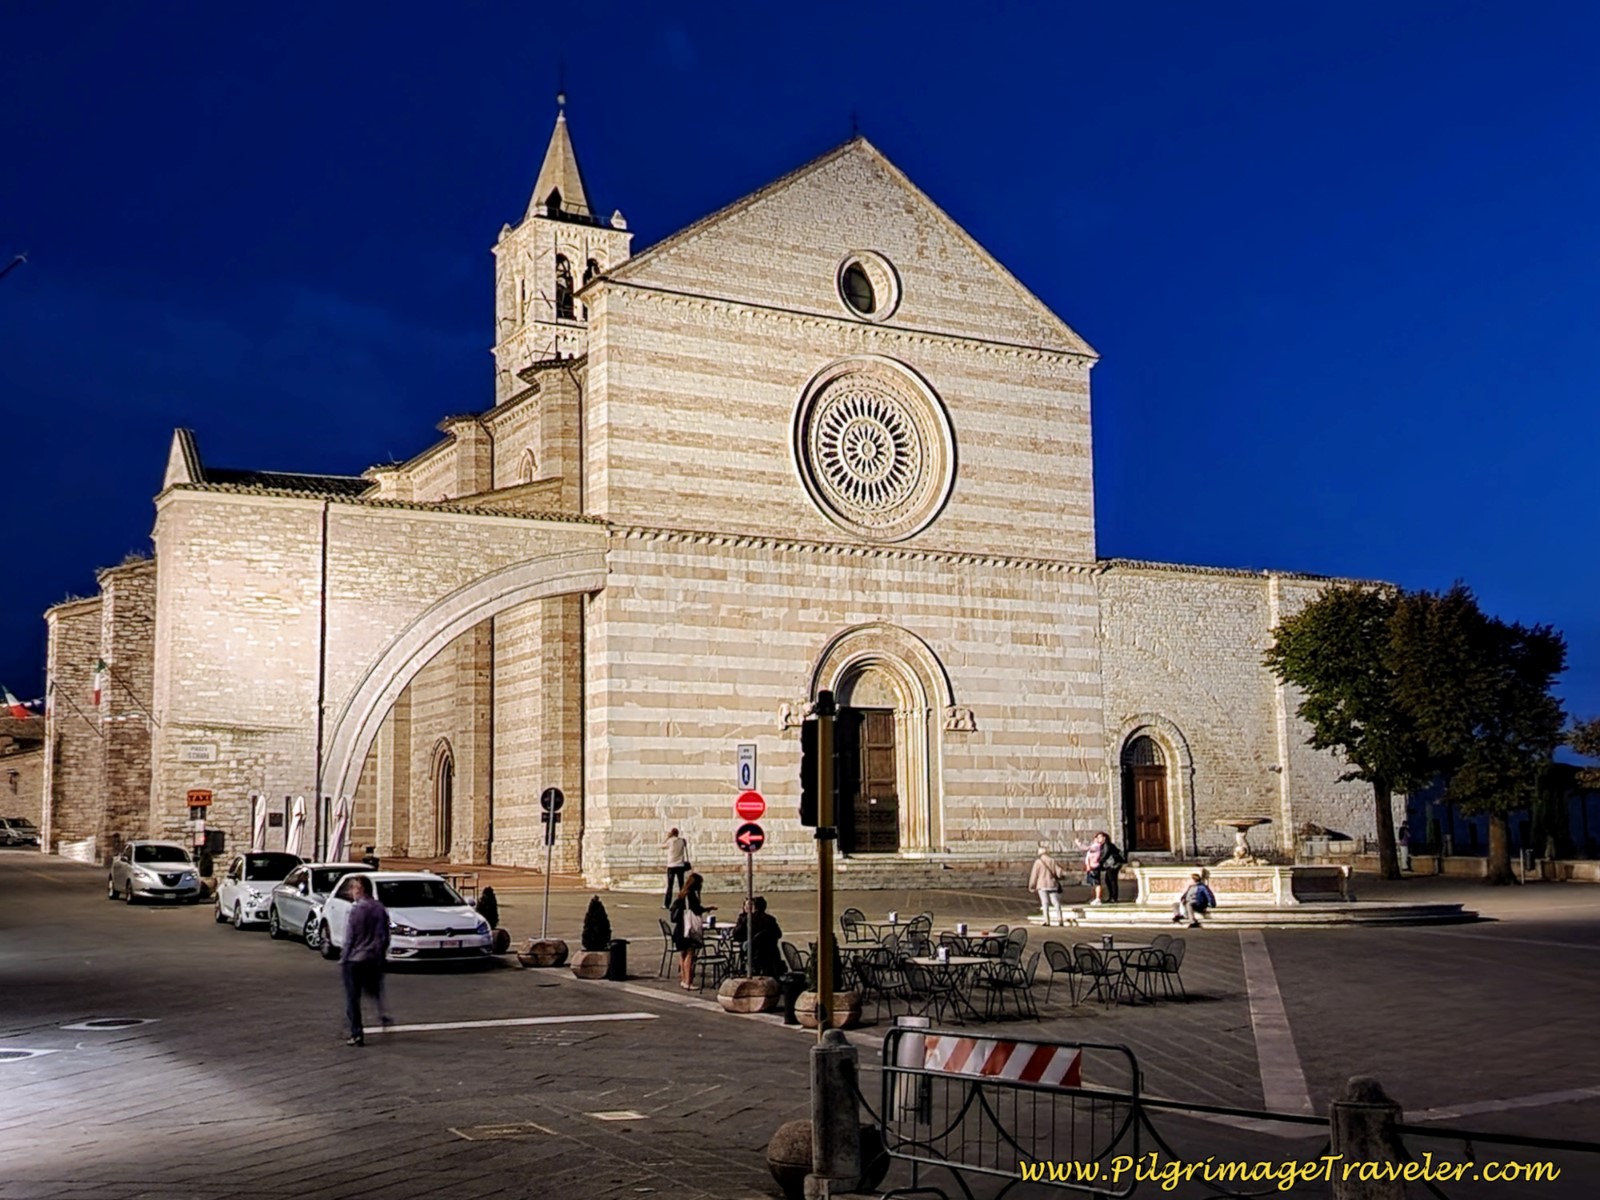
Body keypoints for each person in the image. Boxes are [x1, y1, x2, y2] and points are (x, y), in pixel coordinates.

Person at [341, 875, 392, 1046]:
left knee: (353, 998)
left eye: (353, 888)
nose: (351, 892)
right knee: (375, 989)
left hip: (355, 959)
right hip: (373, 958)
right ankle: (382, 1013)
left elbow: (350, 937)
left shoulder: (356, 910)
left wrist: (344, 957)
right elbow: (384, 936)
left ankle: (356, 1032)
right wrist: (380, 954)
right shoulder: (379, 908)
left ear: (360, 889)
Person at [669, 871, 715, 989]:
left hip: (680, 929)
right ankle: (688, 981)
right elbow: (696, 910)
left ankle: (684, 980)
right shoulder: (691, 896)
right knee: (690, 953)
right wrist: (707, 909)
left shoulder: (681, 895)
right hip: (687, 929)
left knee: (683, 954)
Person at [730, 895, 784, 979]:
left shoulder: (749, 919)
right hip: (771, 952)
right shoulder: (770, 919)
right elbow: (778, 934)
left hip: (753, 952)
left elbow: (736, 935)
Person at [1028, 843, 1064, 925]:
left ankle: (1047, 921)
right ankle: (1060, 919)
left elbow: (1034, 875)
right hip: (1052, 884)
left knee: (1045, 903)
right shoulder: (1052, 860)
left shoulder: (1038, 862)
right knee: (1056, 902)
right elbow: (1059, 873)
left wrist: (1031, 885)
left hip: (1042, 885)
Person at [1076, 832, 1108, 906]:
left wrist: (1079, 843)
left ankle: (1098, 898)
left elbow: (1086, 848)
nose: (1097, 838)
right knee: (1094, 883)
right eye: (1097, 837)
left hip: (1094, 866)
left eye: (1100, 837)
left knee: (1097, 883)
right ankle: (1096, 898)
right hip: (1091, 866)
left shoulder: (1097, 846)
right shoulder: (1095, 845)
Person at [662, 827, 689, 909]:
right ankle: (683, 904)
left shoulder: (670, 841)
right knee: (682, 885)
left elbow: (662, 845)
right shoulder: (682, 841)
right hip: (680, 865)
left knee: (670, 886)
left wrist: (667, 837)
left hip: (671, 865)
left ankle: (667, 904)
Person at [1099, 833, 1126, 903]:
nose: (1098, 839)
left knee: (1112, 880)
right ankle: (1111, 896)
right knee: (1108, 880)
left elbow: (1105, 855)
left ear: (1104, 838)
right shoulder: (1104, 845)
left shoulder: (1107, 845)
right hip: (1110, 864)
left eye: (1100, 837)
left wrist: (1098, 861)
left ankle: (1114, 897)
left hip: (1113, 864)